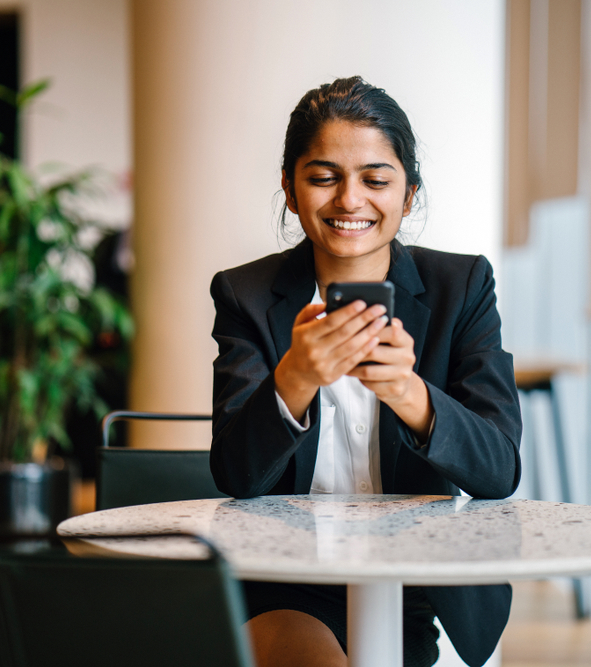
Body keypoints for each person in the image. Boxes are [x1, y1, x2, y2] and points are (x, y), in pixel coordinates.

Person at [209, 76, 522, 667]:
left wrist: (408, 392)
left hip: (410, 586)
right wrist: (295, 378)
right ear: (290, 188)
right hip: (283, 580)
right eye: (324, 177)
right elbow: (235, 474)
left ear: (408, 195)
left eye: (375, 179)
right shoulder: (245, 294)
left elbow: (499, 469)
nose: (350, 200)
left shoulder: (463, 288)